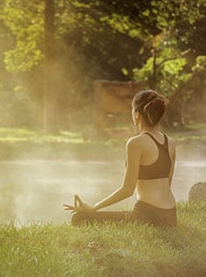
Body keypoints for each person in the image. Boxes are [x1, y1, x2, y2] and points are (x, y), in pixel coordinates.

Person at [63, 90, 177, 227]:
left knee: (79, 218)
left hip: (149, 216)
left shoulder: (136, 143)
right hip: (170, 216)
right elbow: (167, 186)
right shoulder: (170, 142)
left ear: (136, 114)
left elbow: (127, 190)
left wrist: (93, 207)